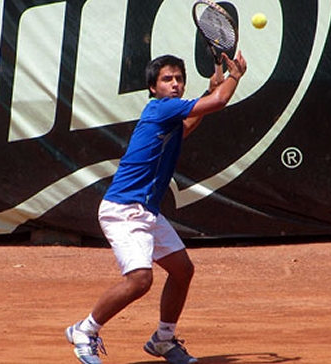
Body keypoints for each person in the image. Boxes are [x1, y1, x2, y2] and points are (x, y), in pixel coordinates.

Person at [65, 51, 247, 364]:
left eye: (179, 79)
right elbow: (218, 103)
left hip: (147, 212)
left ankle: (163, 339)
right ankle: (85, 329)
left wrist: (208, 91)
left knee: (182, 271)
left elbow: (188, 126)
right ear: (153, 88)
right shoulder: (161, 109)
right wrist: (234, 77)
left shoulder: (170, 117)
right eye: (167, 79)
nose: (175, 84)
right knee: (140, 280)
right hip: (123, 210)